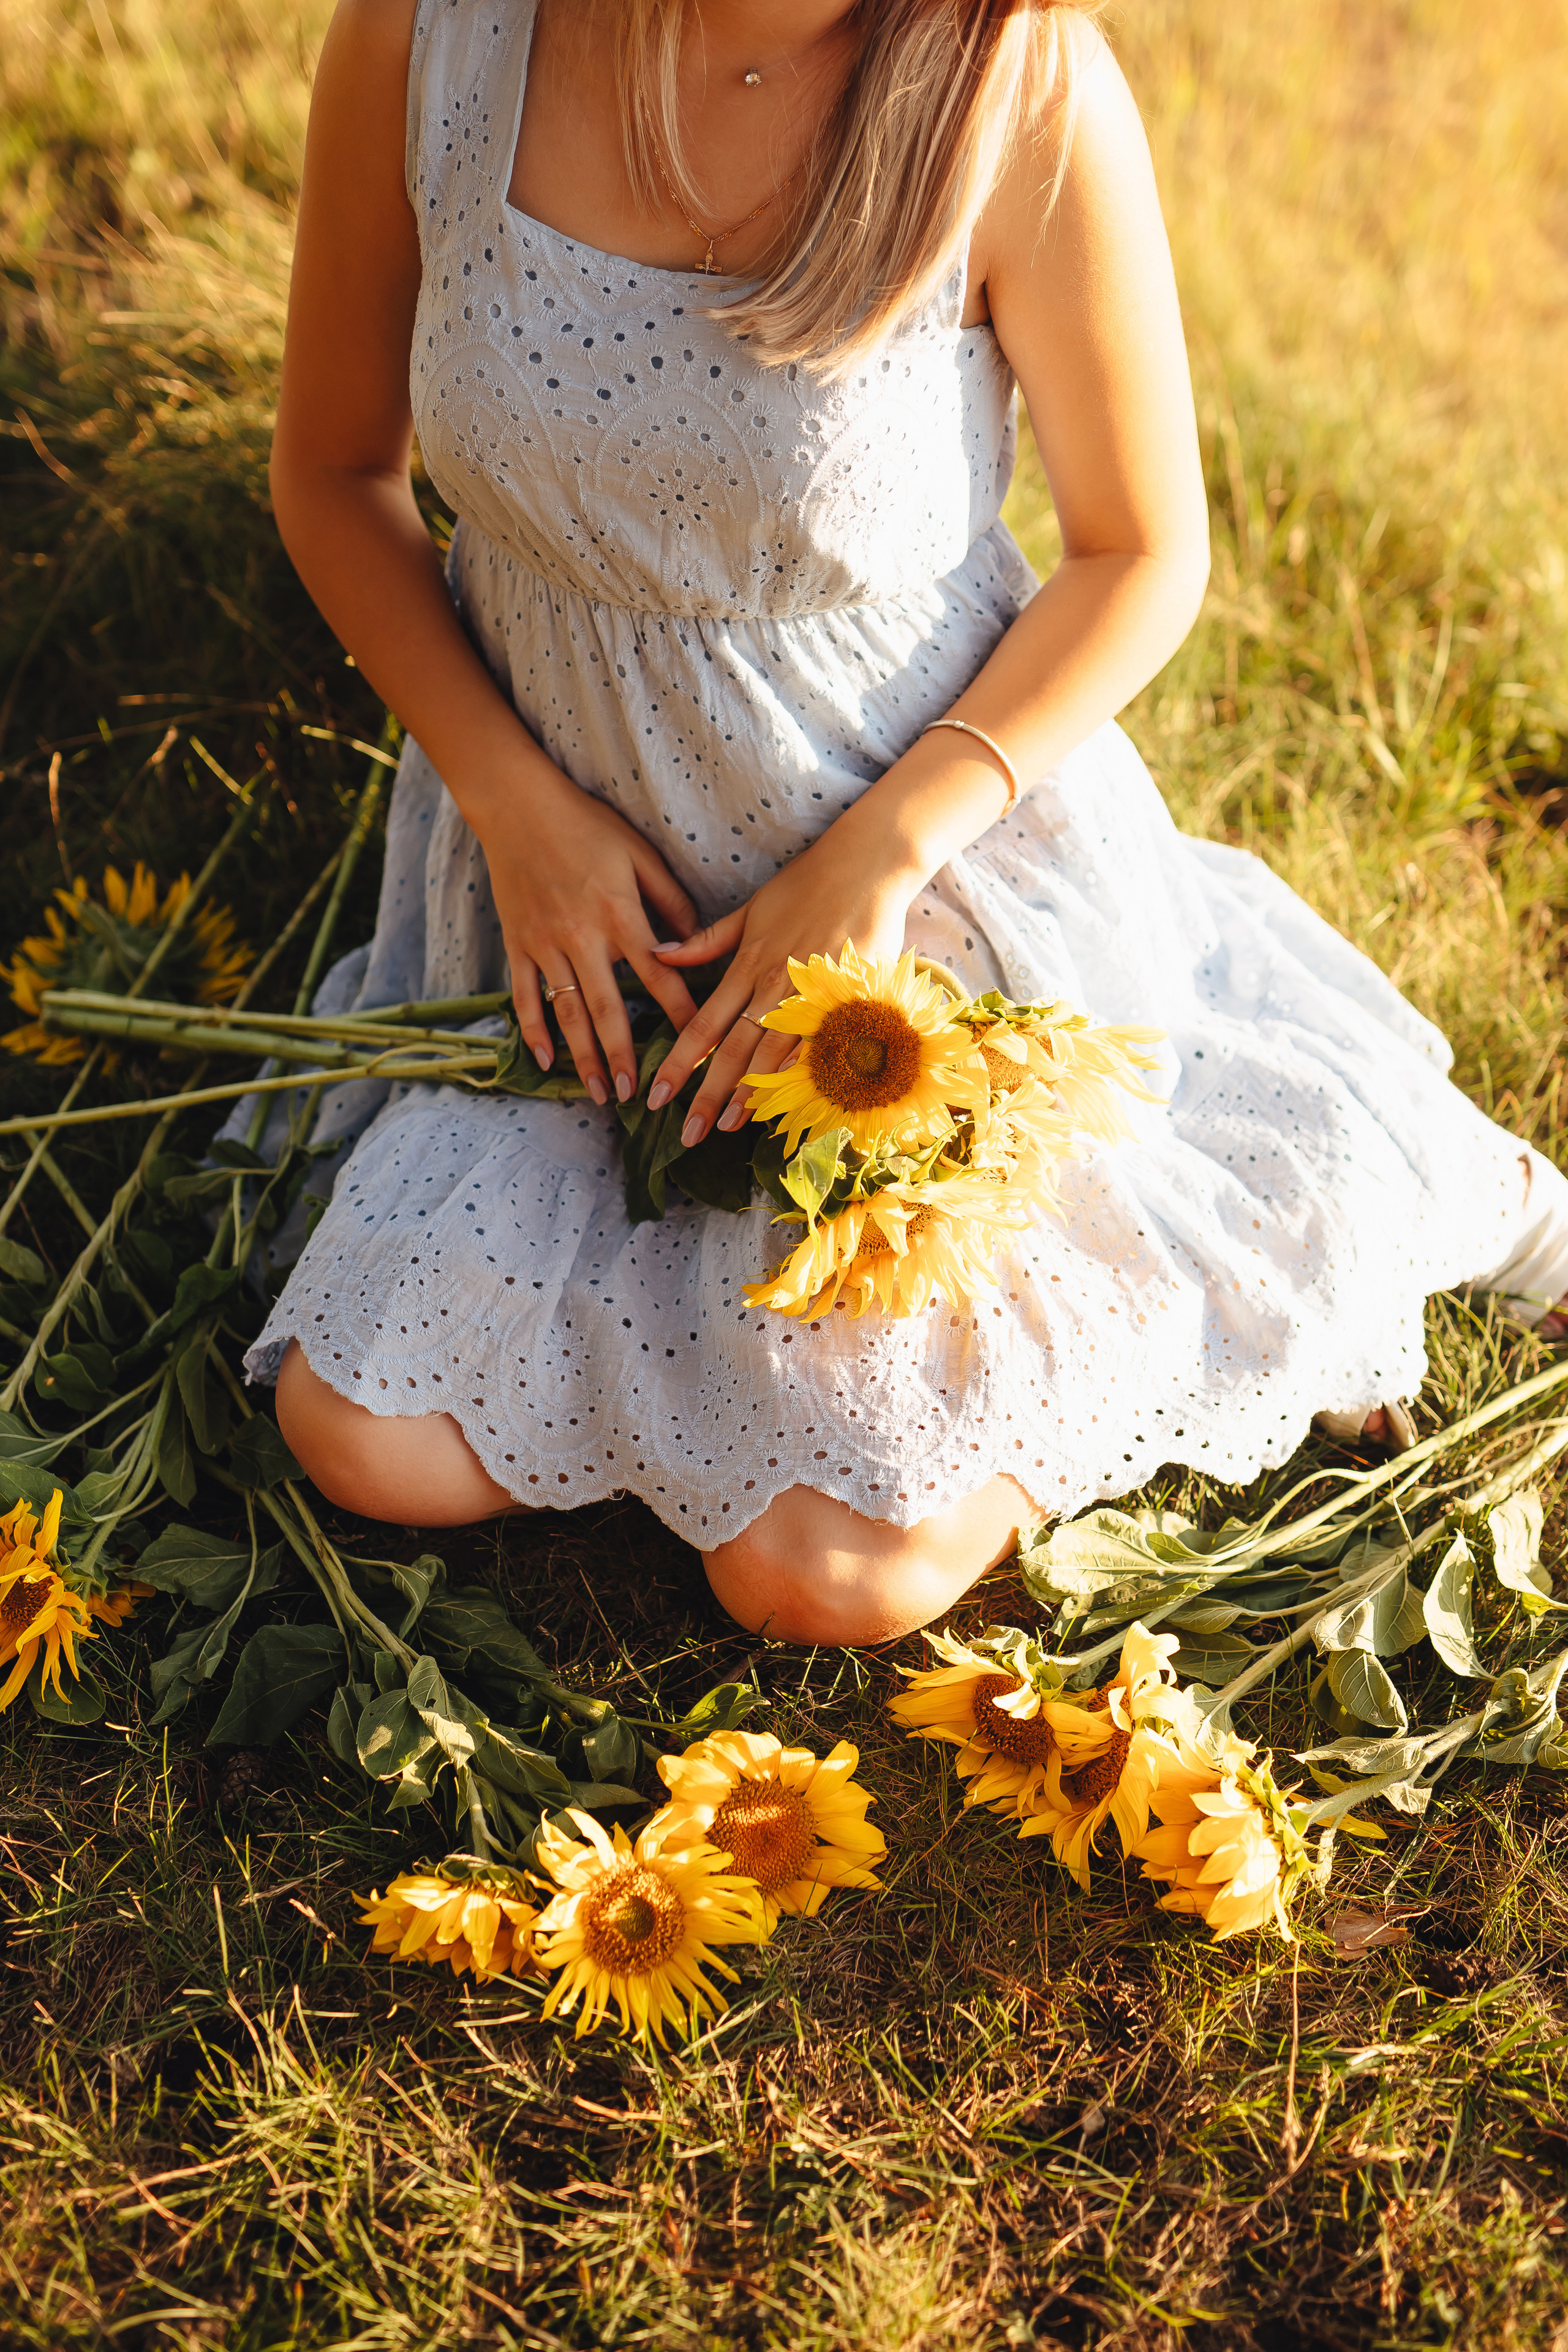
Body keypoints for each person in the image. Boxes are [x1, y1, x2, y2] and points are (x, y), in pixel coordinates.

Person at [254, 0, 1568, 1645]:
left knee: (826, 1577)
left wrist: (886, 847)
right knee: (360, 1435)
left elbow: (1141, 551)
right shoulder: (429, 42)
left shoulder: (1013, 84)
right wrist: (514, 805)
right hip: (575, 923)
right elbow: (332, 472)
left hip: (922, 909)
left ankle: (1345, 1235)